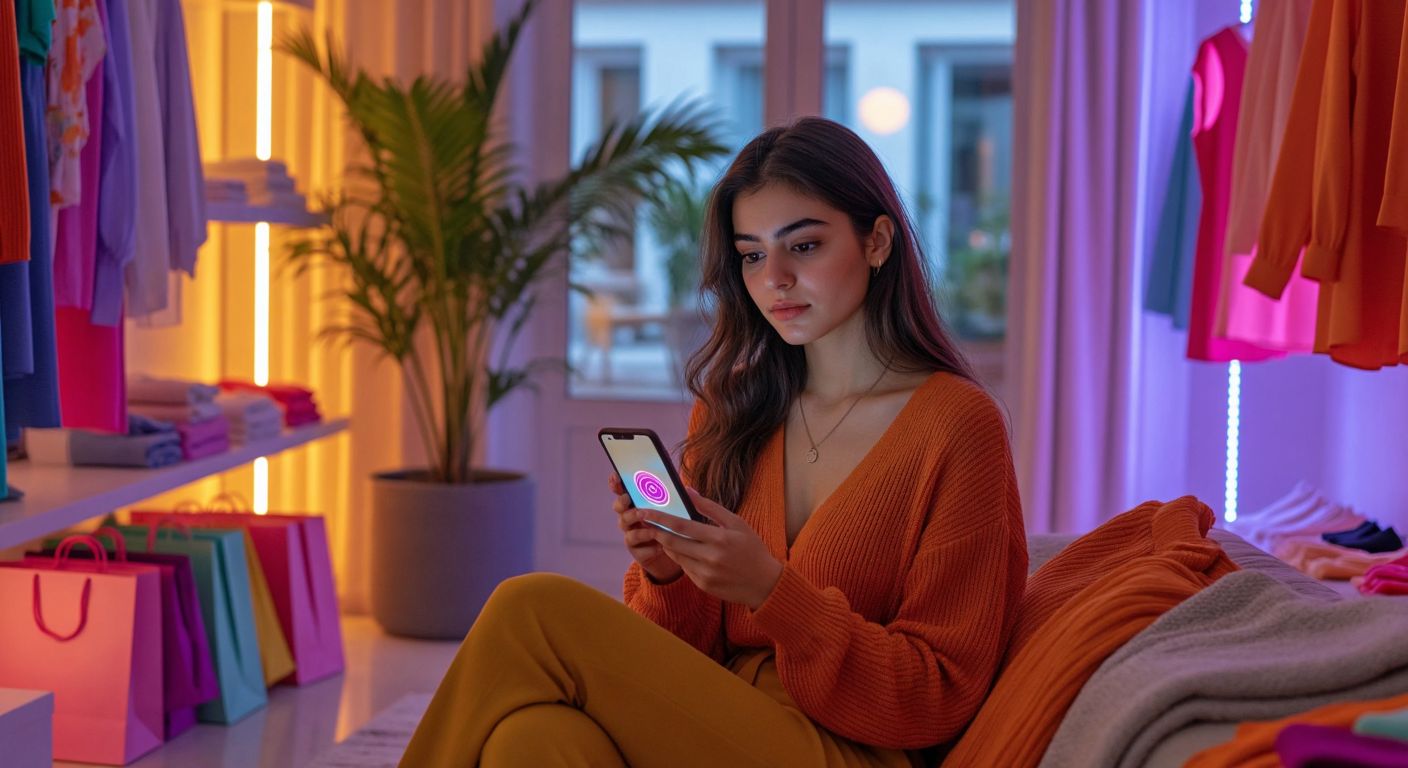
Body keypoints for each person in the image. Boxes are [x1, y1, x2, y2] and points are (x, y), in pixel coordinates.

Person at [399, 117, 1028, 768]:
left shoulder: (957, 425)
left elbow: (938, 693)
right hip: (718, 723)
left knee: (530, 608)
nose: (774, 278)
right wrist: (669, 571)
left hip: (852, 750)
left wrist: (772, 591)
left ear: (877, 241)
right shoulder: (734, 407)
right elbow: (682, 653)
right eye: (753, 254)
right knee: (527, 741)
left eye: (803, 246)